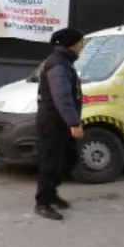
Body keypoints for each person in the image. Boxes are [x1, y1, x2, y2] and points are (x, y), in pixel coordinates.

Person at [35, 28, 85, 221]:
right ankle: (43, 203)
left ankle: (52, 192)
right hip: (53, 122)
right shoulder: (58, 64)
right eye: (81, 42)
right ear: (71, 44)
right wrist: (74, 123)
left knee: (69, 158)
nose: (82, 46)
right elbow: (62, 96)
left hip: (60, 120)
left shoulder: (64, 62)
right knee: (51, 161)